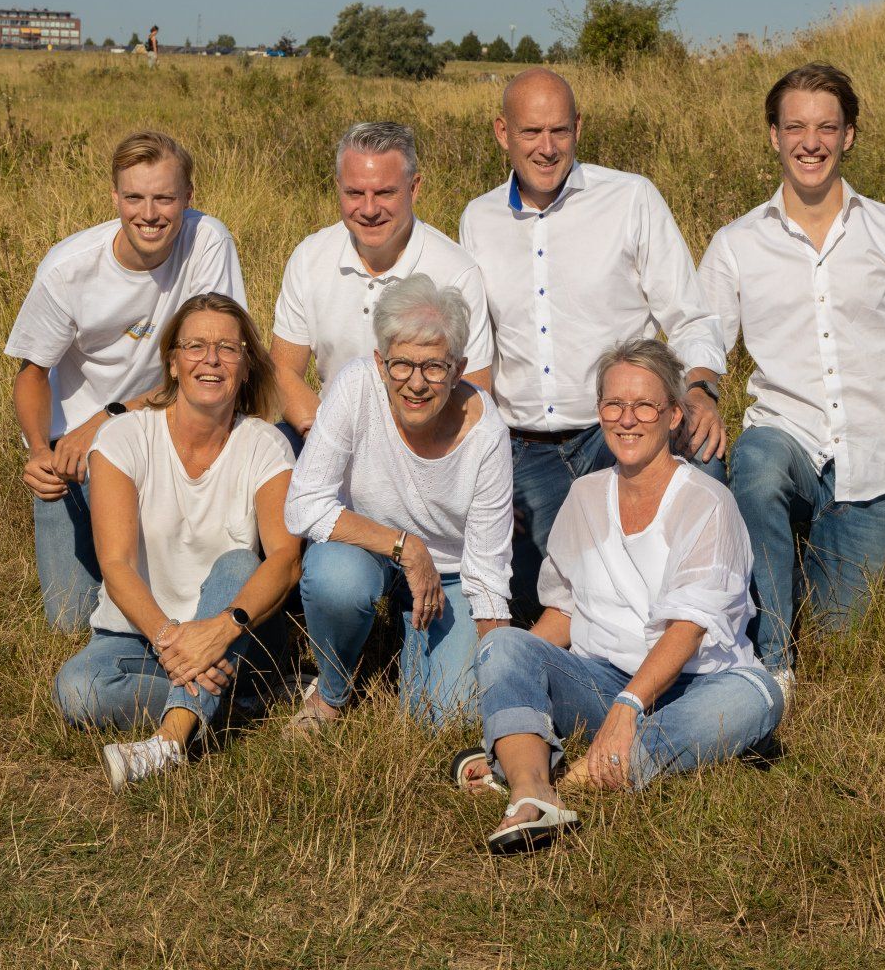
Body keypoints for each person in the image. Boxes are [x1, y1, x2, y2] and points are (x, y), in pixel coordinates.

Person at [458, 339, 783, 855]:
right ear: (599, 411)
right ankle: (531, 792)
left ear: (674, 414)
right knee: (502, 645)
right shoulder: (584, 495)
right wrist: (511, 674)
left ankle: (571, 776)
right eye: (613, 404)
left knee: (758, 697)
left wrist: (629, 707)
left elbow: (688, 628)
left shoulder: (707, 502)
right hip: (601, 677)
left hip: (696, 684)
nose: (626, 419)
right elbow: (564, 609)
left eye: (644, 405)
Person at [697, 62, 885, 681]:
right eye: (795, 127)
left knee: (840, 645)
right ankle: (770, 670)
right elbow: (702, 341)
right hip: (785, 437)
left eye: (825, 127)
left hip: (872, 468)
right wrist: (701, 390)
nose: (809, 142)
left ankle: (787, 593)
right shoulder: (736, 243)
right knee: (756, 469)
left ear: (849, 136)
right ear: (773, 136)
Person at [458, 68, 727, 622]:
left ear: (579, 127)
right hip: (525, 451)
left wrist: (699, 390)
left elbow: (691, 314)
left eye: (560, 130)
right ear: (501, 133)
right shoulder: (478, 219)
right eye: (531, 132)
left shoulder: (630, 199)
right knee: (553, 608)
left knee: (703, 463)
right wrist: (482, 465)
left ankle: (706, 634)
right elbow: (476, 353)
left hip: (619, 431)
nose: (547, 147)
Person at [49, 294, 300, 790]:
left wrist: (221, 629)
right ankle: (234, 699)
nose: (211, 360)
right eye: (197, 346)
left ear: (246, 366)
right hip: (139, 635)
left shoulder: (265, 444)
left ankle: (167, 743)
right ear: (172, 361)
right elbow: (116, 564)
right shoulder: (123, 438)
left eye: (228, 348)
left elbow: (287, 559)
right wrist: (173, 642)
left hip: (233, 630)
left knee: (236, 562)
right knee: (78, 691)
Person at [5, 131, 246, 633]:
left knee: (174, 604)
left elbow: (211, 365)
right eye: (134, 197)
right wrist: (36, 452)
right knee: (70, 624)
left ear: (188, 198)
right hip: (75, 452)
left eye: (164, 198)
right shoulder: (68, 269)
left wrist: (111, 418)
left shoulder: (208, 242)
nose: (150, 213)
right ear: (114, 198)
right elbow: (31, 374)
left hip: (168, 430)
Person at [282, 275, 513, 728]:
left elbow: (487, 567)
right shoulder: (354, 387)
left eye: (434, 367)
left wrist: (496, 669)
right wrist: (406, 546)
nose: (416, 383)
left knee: (449, 716)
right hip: (367, 553)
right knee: (335, 578)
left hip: (451, 577)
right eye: (402, 364)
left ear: (460, 369)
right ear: (380, 362)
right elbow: (302, 504)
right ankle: (331, 691)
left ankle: (410, 645)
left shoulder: (489, 435)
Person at [271, 121, 493, 447]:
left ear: (414, 187)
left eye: (385, 192)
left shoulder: (456, 271)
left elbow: (474, 393)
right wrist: (325, 437)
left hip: (422, 445)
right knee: (271, 443)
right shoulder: (310, 258)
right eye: (355, 193)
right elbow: (282, 371)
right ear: (338, 187)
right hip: (329, 433)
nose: (369, 209)